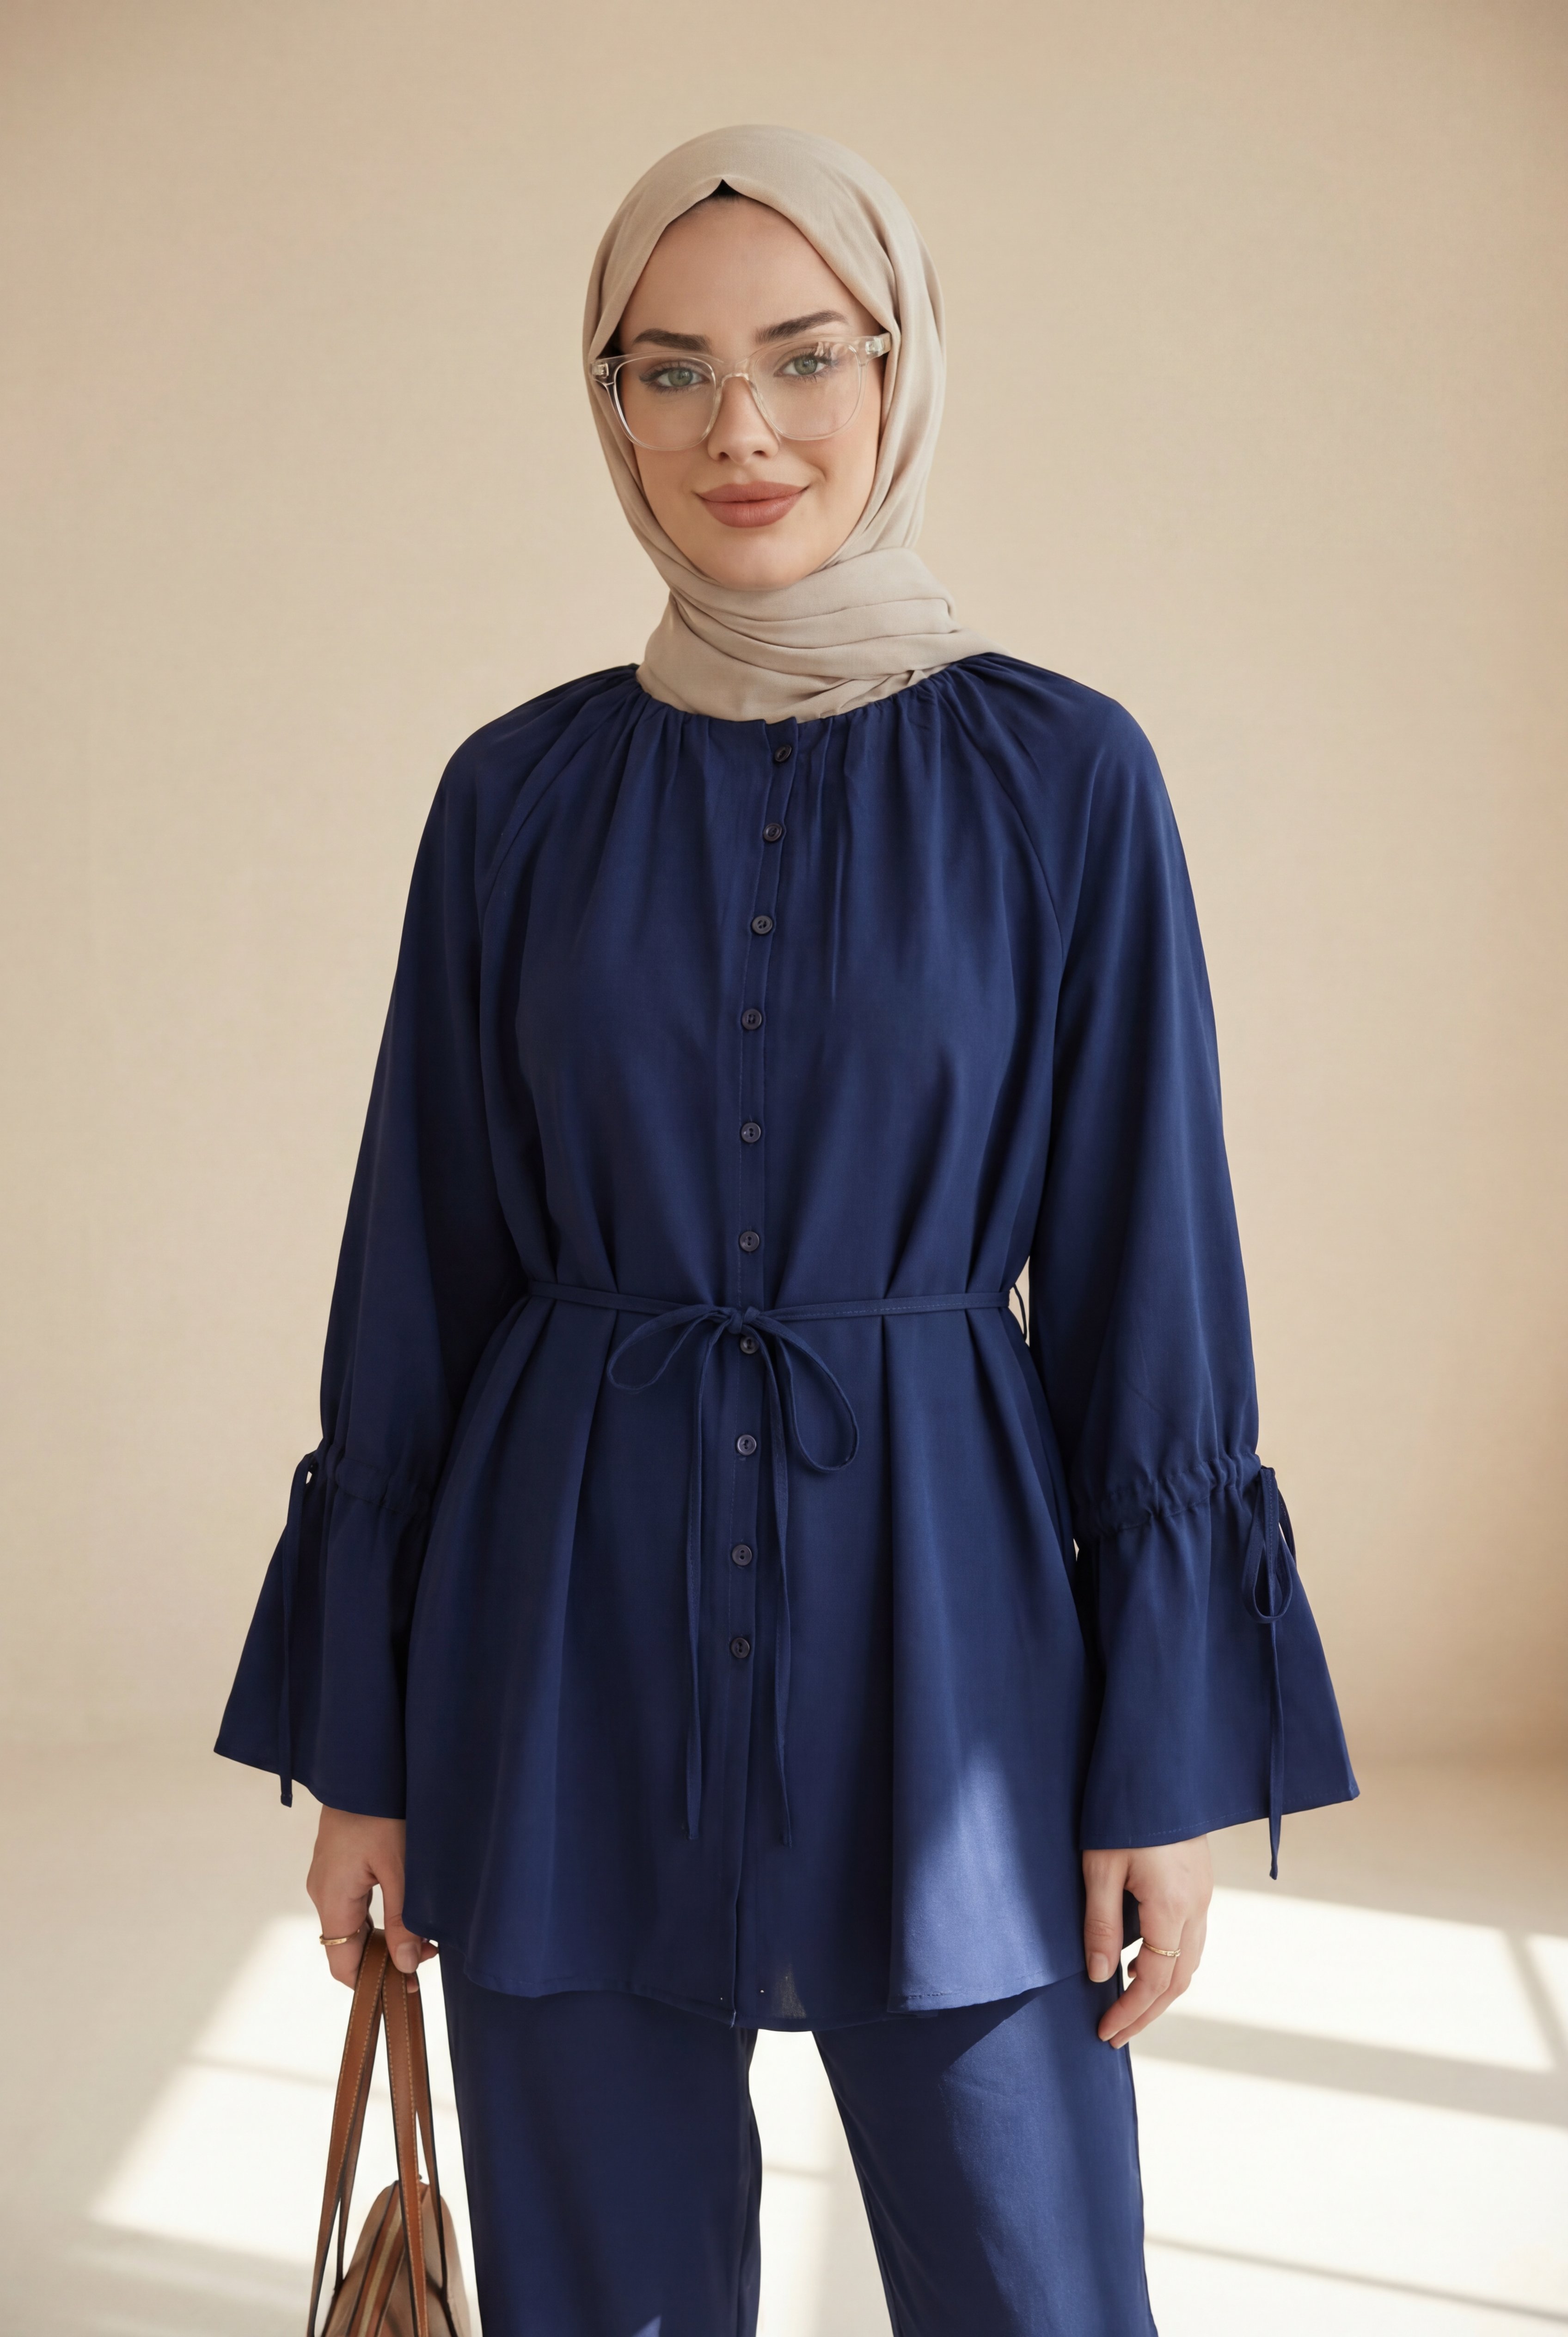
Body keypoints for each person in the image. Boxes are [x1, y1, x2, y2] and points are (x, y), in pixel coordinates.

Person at [216, 124, 1357, 2335]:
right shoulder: (515, 796)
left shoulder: (1064, 781)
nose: (739, 429)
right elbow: (415, 1281)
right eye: (670, 371)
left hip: (957, 1650)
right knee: (601, 2299)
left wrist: (1156, 1768)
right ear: (610, 405)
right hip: (558, 1652)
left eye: (803, 357)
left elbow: (1145, 1285)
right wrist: (368, 1753)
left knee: (1032, 2281)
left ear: (896, 367)